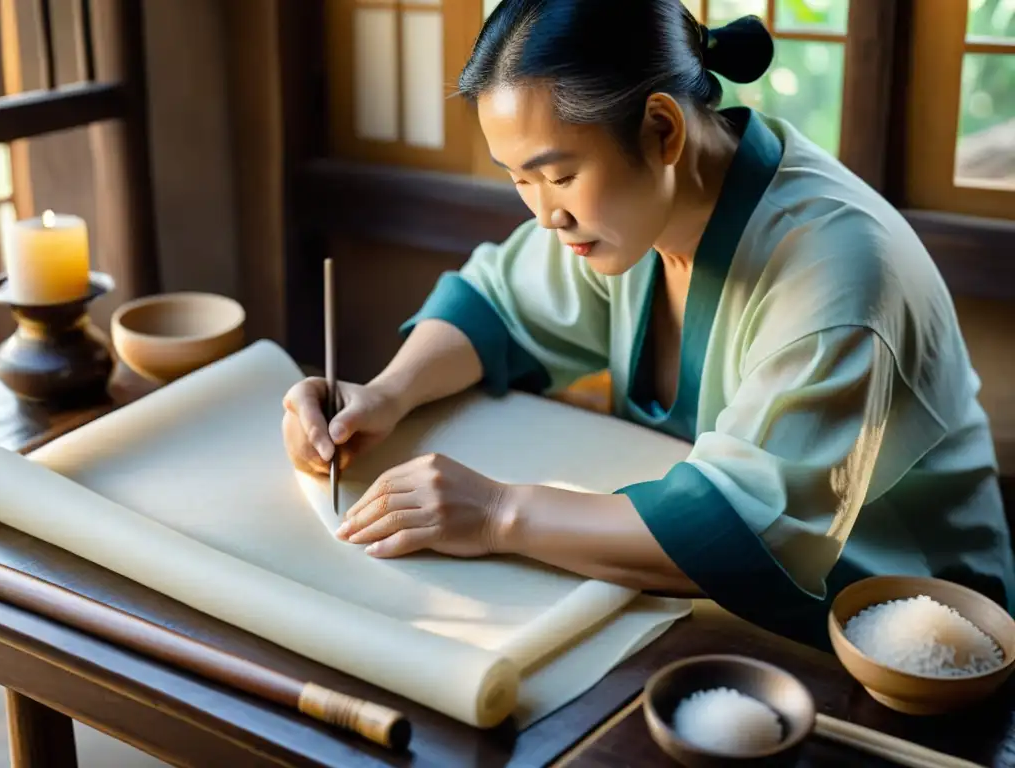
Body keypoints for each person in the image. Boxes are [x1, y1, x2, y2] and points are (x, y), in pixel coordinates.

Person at [282, 0, 1015, 646]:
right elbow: (496, 304)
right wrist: (386, 391)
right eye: (521, 180)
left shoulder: (841, 274)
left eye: (561, 176)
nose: (544, 215)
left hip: (897, 619)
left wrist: (500, 512)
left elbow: (743, 532)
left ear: (662, 129)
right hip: (696, 584)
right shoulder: (635, 208)